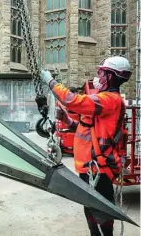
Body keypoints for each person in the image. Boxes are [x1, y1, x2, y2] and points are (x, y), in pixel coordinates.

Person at [40, 56, 132, 236]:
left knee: (102, 210)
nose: (99, 77)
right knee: (90, 207)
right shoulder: (104, 102)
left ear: (112, 76)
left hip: (99, 170)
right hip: (90, 169)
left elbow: (74, 101)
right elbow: (89, 131)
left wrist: (51, 82)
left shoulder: (110, 100)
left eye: (102, 73)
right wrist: (68, 120)